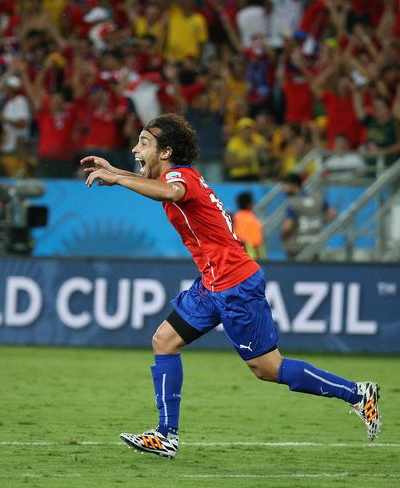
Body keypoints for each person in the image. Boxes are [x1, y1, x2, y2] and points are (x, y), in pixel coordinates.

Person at [81, 113, 380, 459]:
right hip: (213, 282)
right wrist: (115, 173)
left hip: (235, 283)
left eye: (144, 143)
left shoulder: (180, 178)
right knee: (164, 340)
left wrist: (117, 179)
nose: (136, 149)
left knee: (267, 369)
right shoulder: (177, 176)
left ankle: (358, 394)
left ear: (166, 153)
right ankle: (166, 436)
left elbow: (169, 191)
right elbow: (161, 188)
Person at [280, 172, 336, 260]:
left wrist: (283, 236)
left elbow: (287, 227)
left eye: (285, 184)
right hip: (315, 245)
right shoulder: (317, 198)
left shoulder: (292, 202)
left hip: (296, 247)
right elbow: (332, 213)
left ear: (293, 184)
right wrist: (320, 221)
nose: (283, 188)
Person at [233, 191, 266, 260]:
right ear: (249, 204)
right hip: (253, 257)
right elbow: (256, 242)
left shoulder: (235, 218)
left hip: (238, 256)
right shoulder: (252, 220)